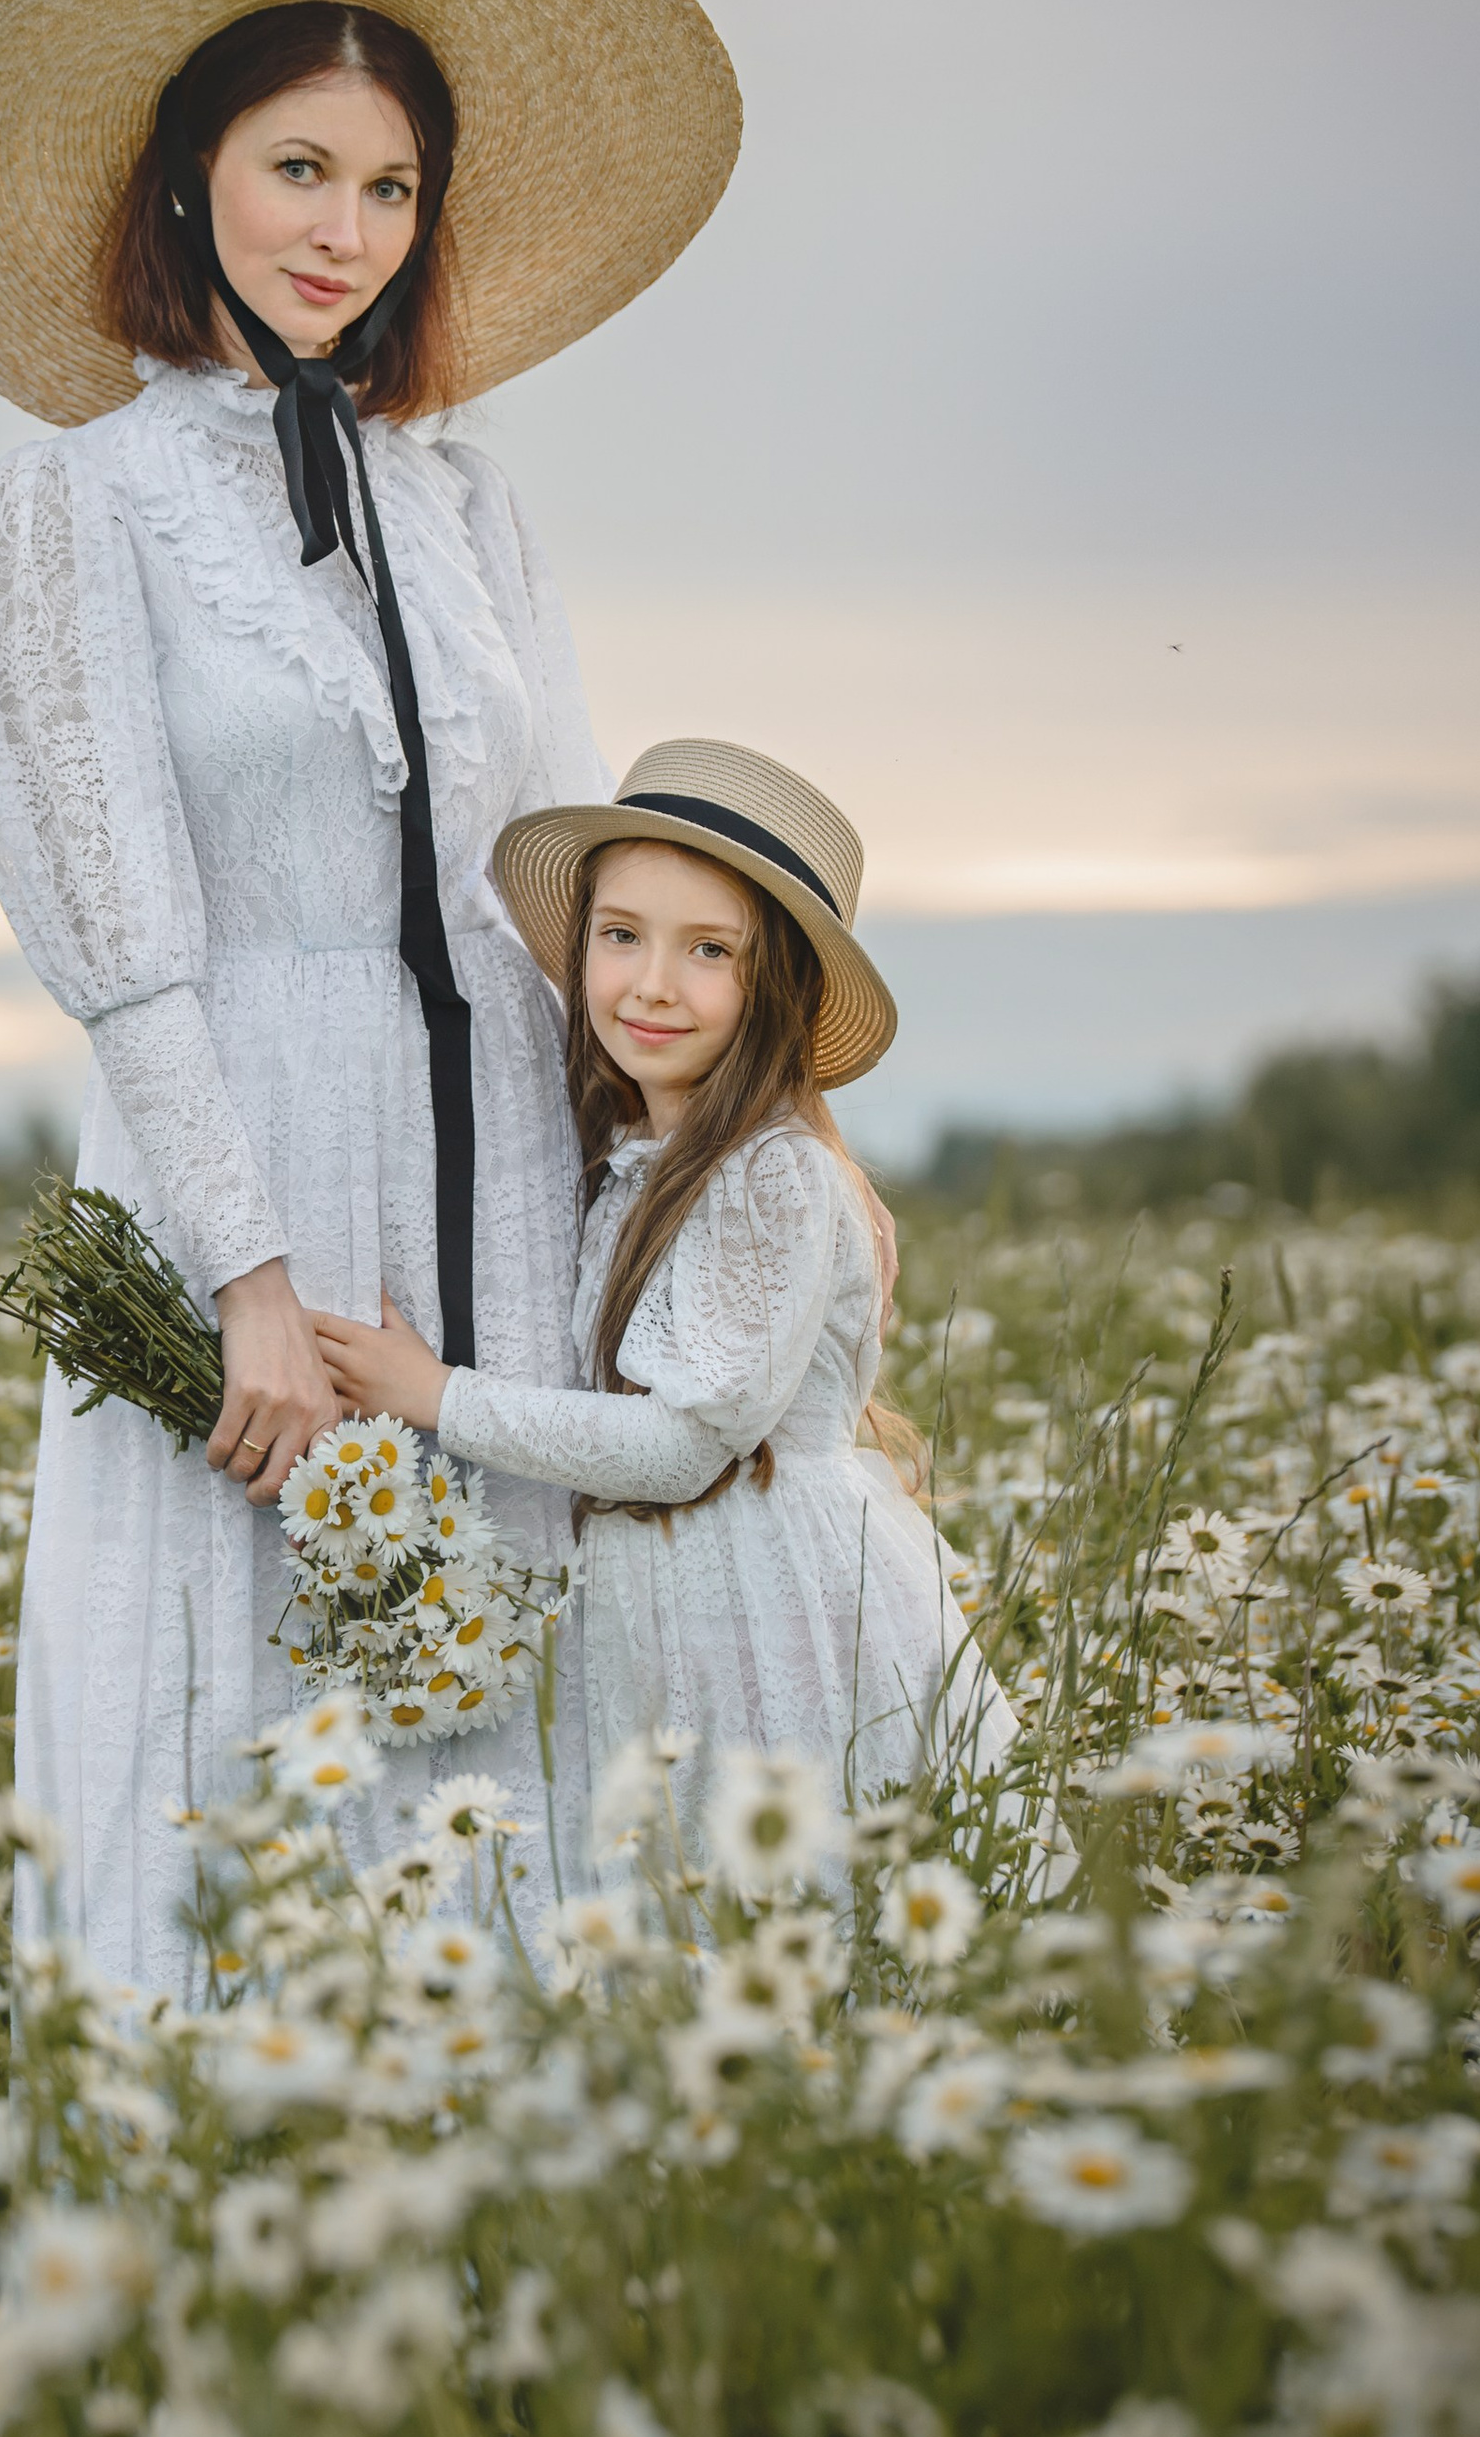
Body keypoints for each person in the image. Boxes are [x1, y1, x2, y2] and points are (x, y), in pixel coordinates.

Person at [0, 0, 740, 1987]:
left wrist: (719, 1156)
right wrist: (243, 1281)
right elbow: (116, 930)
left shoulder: (467, 502)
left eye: (390, 187)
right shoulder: (71, 502)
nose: (344, 231)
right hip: (234, 1150)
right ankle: (197, 2206)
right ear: (187, 181)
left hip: (504, 1188)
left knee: (494, 1725)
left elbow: (579, 885)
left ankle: (487, 2240)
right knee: (223, 1703)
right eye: (298, 168)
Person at [311, 739, 1019, 1834]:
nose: (651, 983)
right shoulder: (639, 1155)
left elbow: (684, 1447)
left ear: (774, 980)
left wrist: (432, 1392)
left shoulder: (773, 1173)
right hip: (679, 1616)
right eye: (621, 935)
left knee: (805, 1896)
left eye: (708, 951)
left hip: (777, 1601)